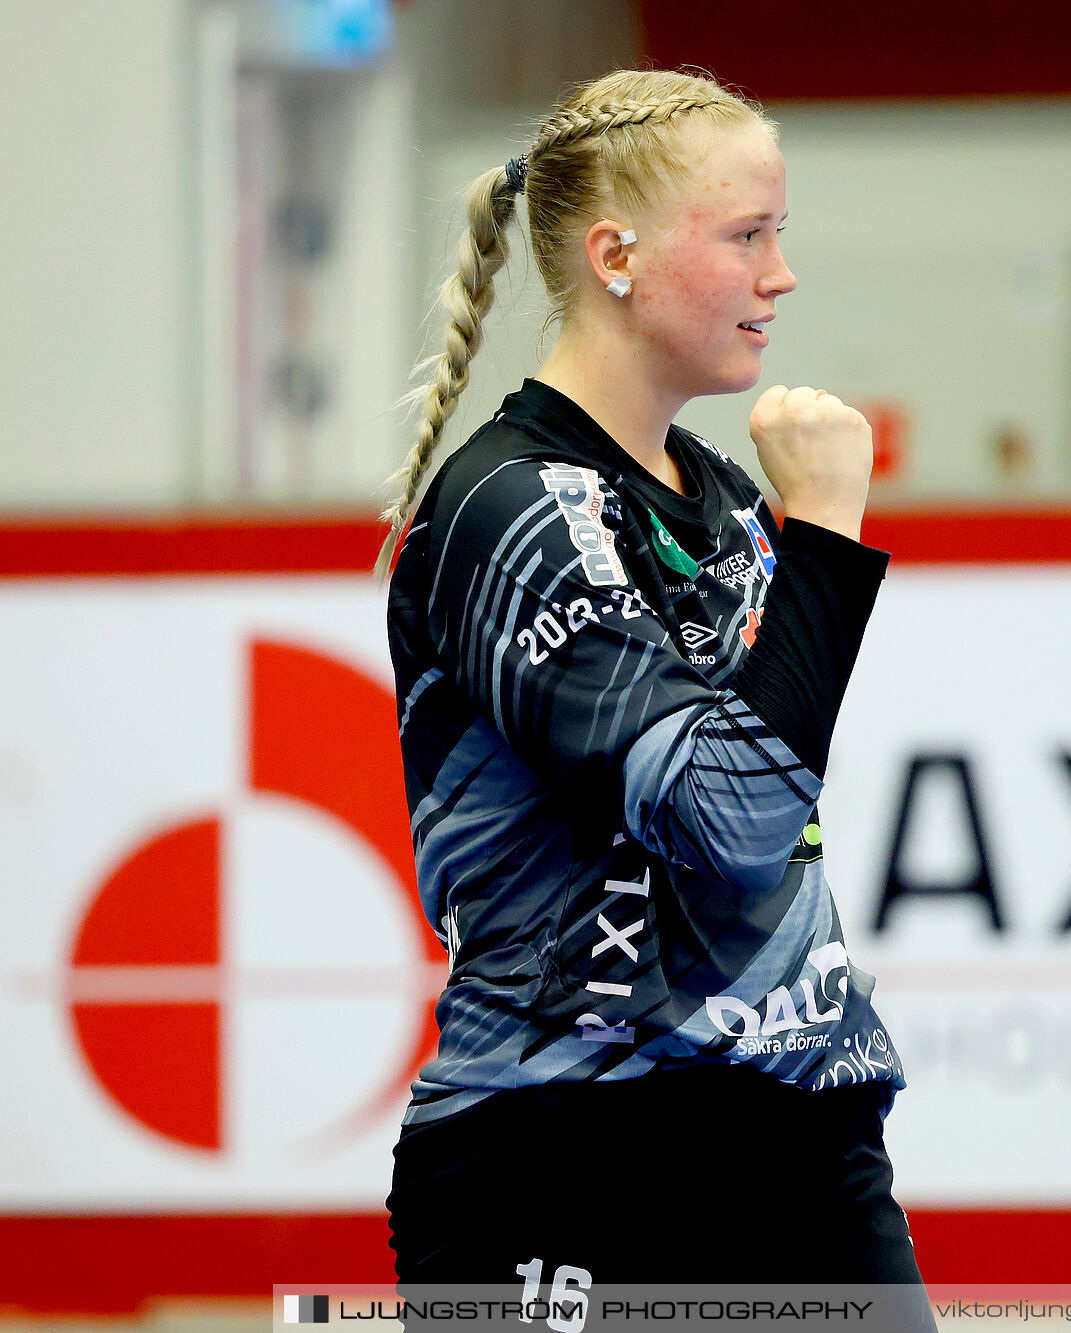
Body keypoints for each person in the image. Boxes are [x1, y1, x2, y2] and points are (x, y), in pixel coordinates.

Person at [378, 68, 928, 1307]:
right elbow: (729, 821)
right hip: (573, 1155)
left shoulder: (721, 497)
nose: (781, 275)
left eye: (779, 232)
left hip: (800, 1141)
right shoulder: (510, 510)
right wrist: (831, 533)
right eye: (747, 235)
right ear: (614, 253)